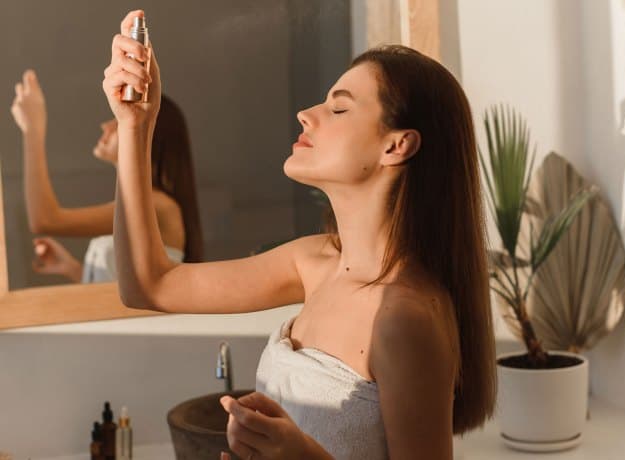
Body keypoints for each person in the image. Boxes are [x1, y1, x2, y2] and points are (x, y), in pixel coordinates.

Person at [104, 10, 497, 459]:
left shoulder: (405, 317)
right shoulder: (313, 262)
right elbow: (147, 285)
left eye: (339, 107)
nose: (307, 114)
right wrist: (136, 125)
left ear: (396, 145)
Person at [10, 70, 203, 283]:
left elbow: (45, 220)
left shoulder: (159, 206)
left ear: (149, 134)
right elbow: (128, 290)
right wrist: (74, 269)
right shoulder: (147, 204)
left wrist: (33, 130)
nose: (106, 125)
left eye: (118, 119)